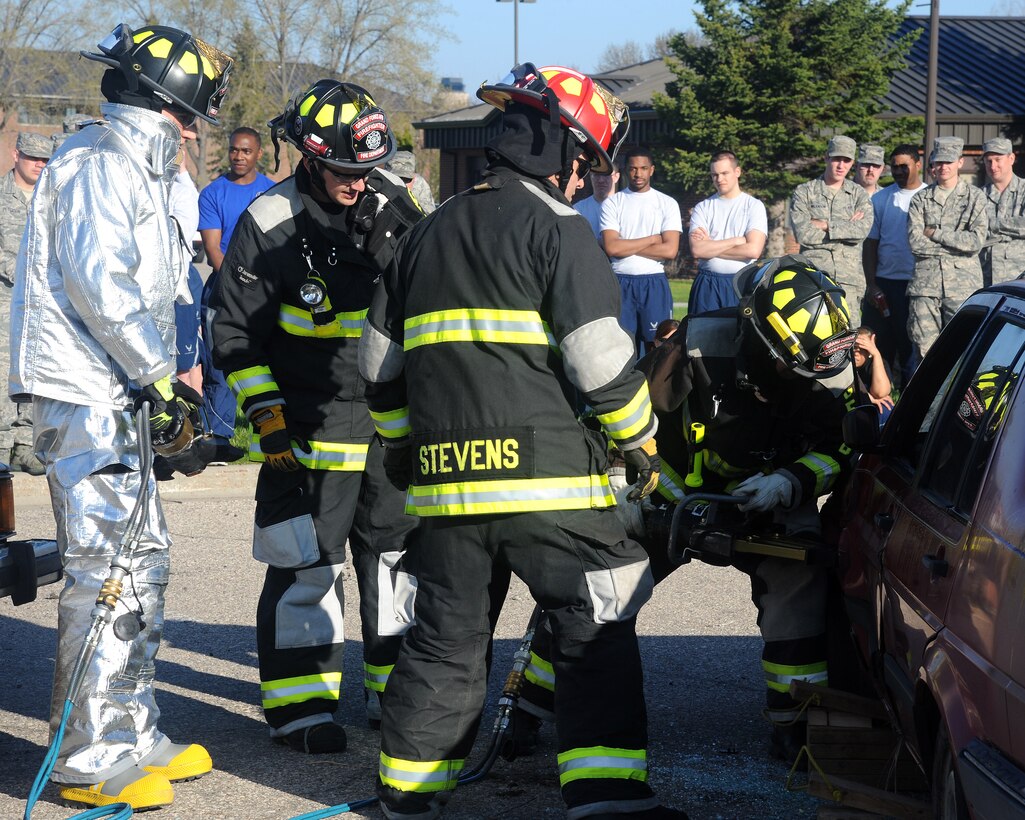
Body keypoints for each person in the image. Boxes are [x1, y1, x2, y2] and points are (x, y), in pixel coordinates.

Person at [359, 62, 686, 819]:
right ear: (563, 152)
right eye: (587, 164)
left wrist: (410, 454)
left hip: (445, 493)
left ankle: (407, 799)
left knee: (443, 640)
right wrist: (642, 446)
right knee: (594, 625)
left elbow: (378, 369)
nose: (585, 182)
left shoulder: (423, 234)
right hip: (552, 492)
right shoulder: (560, 231)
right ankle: (605, 801)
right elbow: (601, 365)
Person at [513, 254, 858, 766]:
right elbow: (627, 418)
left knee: (800, 585)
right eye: (788, 366)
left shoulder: (827, 364)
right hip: (674, 495)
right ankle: (528, 707)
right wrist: (628, 491)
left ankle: (798, 724)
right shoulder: (695, 347)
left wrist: (793, 480)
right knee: (601, 583)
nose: (800, 377)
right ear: (760, 339)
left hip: (768, 498)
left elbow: (844, 446)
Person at [8, 23, 232, 810]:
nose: (195, 130)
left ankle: (131, 731)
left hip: (117, 389)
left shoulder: (134, 166)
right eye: (191, 115)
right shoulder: (102, 163)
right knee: (104, 568)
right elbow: (101, 283)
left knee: (142, 560)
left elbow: (151, 285)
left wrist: (159, 378)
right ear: (167, 105)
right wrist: (157, 375)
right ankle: (87, 757)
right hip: (85, 389)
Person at [211, 79, 424, 755]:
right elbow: (235, 335)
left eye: (367, 170)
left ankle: (399, 697)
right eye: (343, 171)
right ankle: (301, 706)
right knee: (306, 567)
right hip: (304, 430)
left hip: (391, 430)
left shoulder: (393, 204)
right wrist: (266, 417)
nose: (358, 184)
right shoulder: (269, 221)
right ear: (307, 156)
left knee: (397, 562)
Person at [907, 136, 988, 357]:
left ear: (960, 162)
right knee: (925, 350)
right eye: (938, 162)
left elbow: (975, 242)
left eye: (948, 162)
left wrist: (935, 233)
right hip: (926, 286)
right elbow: (915, 243)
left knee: (965, 348)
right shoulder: (920, 199)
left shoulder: (976, 198)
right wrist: (956, 247)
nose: (943, 167)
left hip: (962, 287)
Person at [0, 132, 51, 475]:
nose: (39, 164)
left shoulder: (52, 199)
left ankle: (26, 445)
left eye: (45, 159)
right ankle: (2, 446)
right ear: (16, 155)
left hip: (43, 302)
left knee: (34, 373)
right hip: (5, 298)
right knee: (3, 373)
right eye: (33, 157)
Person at [600, 146, 683, 355]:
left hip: (653, 282)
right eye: (633, 168)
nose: (638, 174)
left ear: (652, 170)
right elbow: (611, 247)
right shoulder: (613, 203)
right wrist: (653, 239)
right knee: (621, 347)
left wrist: (626, 245)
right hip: (620, 281)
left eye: (643, 168)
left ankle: (654, 387)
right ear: (626, 170)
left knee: (658, 346)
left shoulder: (667, 203)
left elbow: (670, 250)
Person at [790, 135, 873, 325]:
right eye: (836, 158)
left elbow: (861, 231)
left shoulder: (858, 194)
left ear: (852, 162)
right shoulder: (805, 192)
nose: (841, 165)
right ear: (826, 157)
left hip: (849, 282)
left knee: (849, 337)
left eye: (847, 160)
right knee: (813, 332)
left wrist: (826, 225)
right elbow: (803, 234)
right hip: (814, 278)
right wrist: (846, 229)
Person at [863, 144, 926, 387]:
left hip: (916, 283)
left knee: (911, 346)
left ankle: (909, 401)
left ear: (917, 165)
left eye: (904, 166)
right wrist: (871, 284)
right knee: (882, 346)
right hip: (885, 284)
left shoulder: (928, 196)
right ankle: (883, 400)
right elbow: (871, 244)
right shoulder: (880, 199)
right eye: (894, 167)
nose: (898, 172)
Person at [687, 150, 767, 314]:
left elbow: (753, 250)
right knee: (702, 337)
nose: (719, 179)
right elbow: (697, 250)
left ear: (737, 172)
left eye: (724, 173)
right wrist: (736, 240)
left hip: (740, 283)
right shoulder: (703, 207)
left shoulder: (753, 206)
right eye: (714, 175)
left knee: (738, 337)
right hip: (707, 284)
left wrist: (710, 246)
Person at [198, 126, 275, 276]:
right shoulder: (211, 194)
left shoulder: (273, 192)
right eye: (233, 150)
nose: (238, 156)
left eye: (246, 151)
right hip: (224, 280)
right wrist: (235, 283)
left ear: (259, 154)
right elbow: (212, 248)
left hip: (266, 281)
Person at [979, 137, 1025, 287]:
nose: (993, 166)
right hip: (985, 277)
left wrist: (992, 224)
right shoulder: (978, 196)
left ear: (1011, 158)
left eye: (998, 159)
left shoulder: (1023, 190)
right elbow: (975, 231)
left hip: (1019, 276)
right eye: (988, 161)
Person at [852, 326, 894, 425]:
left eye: (862, 348)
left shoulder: (877, 363)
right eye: (853, 347)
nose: (856, 352)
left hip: (870, 405)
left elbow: (880, 393)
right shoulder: (844, 365)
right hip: (851, 402)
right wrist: (868, 397)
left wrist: (876, 354)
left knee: (884, 407)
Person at [573, 163, 619, 238]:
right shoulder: (578, 210)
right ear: (591, 177)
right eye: (596, 175)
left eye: (606, 175)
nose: (601, 180)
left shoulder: (627, 207)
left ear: (616, 177)